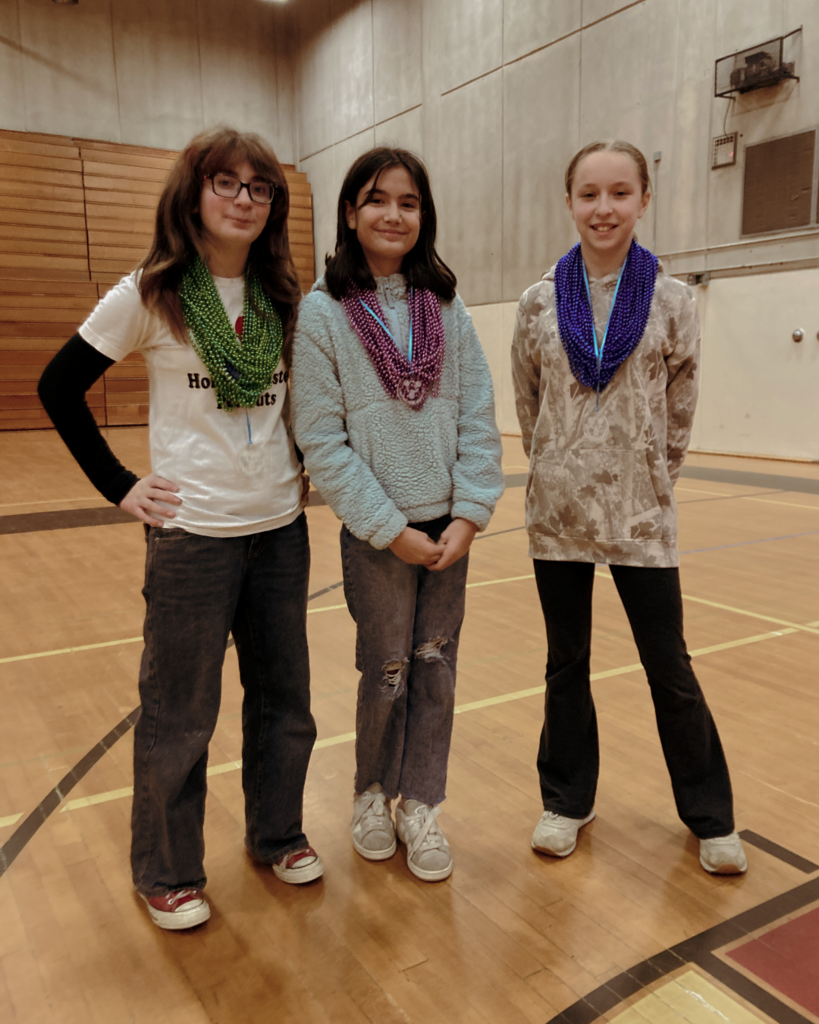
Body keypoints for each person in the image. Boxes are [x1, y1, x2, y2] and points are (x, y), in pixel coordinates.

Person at [38, 126, 323, 931]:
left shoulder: (281, 297)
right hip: (192, 536)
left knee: (285, 701)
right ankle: (165, 869)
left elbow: (293, 402)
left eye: (258, 188)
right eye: (226, 184)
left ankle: (278, 833)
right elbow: (58, 386)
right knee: (180, 710)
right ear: (193, 194)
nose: (243, 199)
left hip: (277, 530)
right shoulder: (150, 292)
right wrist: (121, 487)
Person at [511, 140, 747, 875]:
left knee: (667, 665)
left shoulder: (673, 301)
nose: (602, 207)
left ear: (642, 199)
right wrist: (559, 464)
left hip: (642, 516)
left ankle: (710, 815)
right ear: (569, 201)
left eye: (618, 192)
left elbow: (679, 411)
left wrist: (645, 476)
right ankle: (564, 800)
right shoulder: (538, 301)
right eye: (588, 193)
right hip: (558, 515)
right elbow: (528, 402)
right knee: (564, 664)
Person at [290, 147, 503, 882]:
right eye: (376, 200)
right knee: (385, 670)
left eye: (408, 202)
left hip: (451, 530)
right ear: (351, 213)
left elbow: (479, 417)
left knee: (435, 669)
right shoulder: (322, 313)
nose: (392, 214)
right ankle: (371, 793)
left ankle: (421, 802)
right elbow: (320, 440)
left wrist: (469, 515)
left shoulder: (446, 307)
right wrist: (390, 530)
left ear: (423, 215)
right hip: (381, 533)